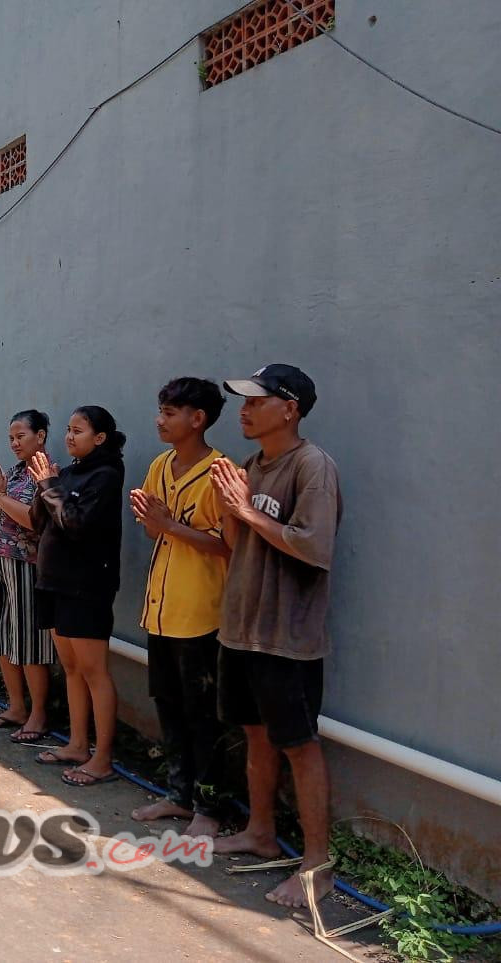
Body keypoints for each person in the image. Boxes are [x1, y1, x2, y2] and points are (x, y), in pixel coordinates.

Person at [210, 364, 342, 910]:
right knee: (255, 735)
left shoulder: (312, 467)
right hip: (241, 629)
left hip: (286, 638)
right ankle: (260, 832)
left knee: (300, 746)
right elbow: (236, 545)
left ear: (289, 408)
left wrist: (244, 509)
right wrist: (230, 513)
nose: (243, 410)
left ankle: (318, 867)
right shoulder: (250, 465)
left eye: (256, 401)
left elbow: (314, 547)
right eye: (242, 402)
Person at [128, 378, 231, 837]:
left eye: (170, 412)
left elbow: (230, 544)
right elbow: (155, 532)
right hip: (162, 609)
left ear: (198, 419)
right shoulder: (160, 466)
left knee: (203, 714)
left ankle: (210, 808)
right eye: (161, 410)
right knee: (168, 705)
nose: (160, 420)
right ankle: (178, 796)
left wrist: (168, 524)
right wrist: (157, 523)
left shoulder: (221, 474)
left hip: (201, 613)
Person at [28, 406, 125, 788]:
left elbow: (75, 523)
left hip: (87, 585)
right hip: (54, 582)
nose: (70, 437)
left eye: (78, 431)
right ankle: (77, 744)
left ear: (99, 438)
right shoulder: (66, 473)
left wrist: (50, 486)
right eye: (68, 430)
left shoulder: (106, 475)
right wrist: (45, 484)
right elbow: (40, 521)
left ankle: (102, 757)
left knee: (94, 671)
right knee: (70, 668)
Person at [0, 410, 55, 744]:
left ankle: (38, 714)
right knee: (1, 634)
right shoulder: (12, 473)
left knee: (28, 640)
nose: (14, 443)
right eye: (11, 437)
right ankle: (15, 706)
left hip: (26, 564)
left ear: (40, 436)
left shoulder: (48, 476)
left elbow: (32, 521)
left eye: (21, 436)